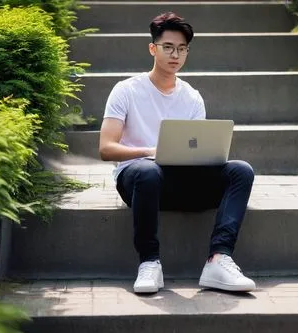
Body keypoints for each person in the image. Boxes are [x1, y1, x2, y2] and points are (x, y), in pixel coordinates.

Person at [99, 12, 255, 294]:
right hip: (139, 182)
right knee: (148, 171)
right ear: (152, 48)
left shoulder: (192, 96)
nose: (176, 55)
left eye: (182, 49)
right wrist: (150, 152)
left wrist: (208, 158)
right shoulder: (126, 90)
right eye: (168, 47)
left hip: (180, 183)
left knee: (240, 170)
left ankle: (219, 259)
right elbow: (106, 148)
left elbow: (196, 148)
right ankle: (149, 263)